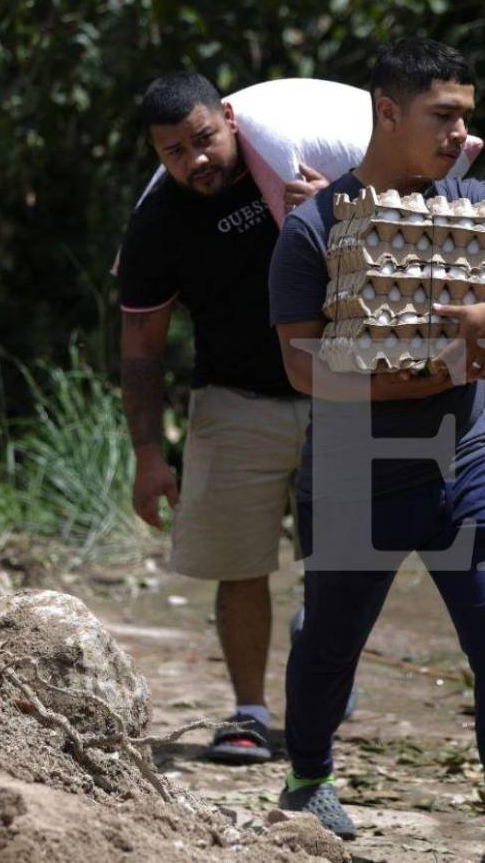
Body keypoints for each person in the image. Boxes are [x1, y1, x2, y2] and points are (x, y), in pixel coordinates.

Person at [269, 39, 485, 863]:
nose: (460, 131)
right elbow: (299, 360)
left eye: (465, 113)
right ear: (387, 112)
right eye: (444, 115)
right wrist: (415, 377)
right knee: (330, 641)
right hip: (355, 475)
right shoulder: (315, 227)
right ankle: (308, 774)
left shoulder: (474, 200)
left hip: (465, 464)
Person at [116, 71, 335, 764]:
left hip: (344, 391)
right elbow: (142, 349)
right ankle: (248, 713)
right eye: (173, 152)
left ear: (231, 121)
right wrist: (148, 453)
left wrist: (338, 214)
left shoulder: (307, 170)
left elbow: (403, 247)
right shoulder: (156, 226)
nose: (195, 160)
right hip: (235, 400)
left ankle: (327, 674)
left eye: (203, 139)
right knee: (239, 567)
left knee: (346, 562)